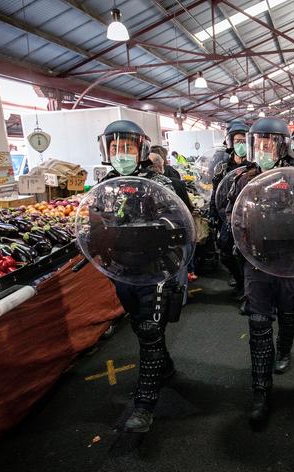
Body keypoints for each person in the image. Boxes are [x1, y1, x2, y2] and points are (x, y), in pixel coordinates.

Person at [97, 120, 193, 433]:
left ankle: (144, 405)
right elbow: (93, 224)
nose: (121, 153)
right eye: (115, 148)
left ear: (141, 149)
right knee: (142, 327)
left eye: (127, 147)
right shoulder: (104, 186)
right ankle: (164, 368)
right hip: (122, 271)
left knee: (151, 328)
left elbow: (180, 225)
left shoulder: (159, 184)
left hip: (155, 270)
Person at [225, 116, 294, 429]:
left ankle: (284, 349)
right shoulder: (241, 179)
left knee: (289, 312)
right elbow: (230, 213)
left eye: (270, 143)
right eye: (259, 143)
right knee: (258, 323)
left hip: (288, 260)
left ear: (282, 145)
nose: (264, 148)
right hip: (256, 261)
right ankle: (261, 391)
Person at [209, 121, 249, 302]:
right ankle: (239, 279)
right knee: (225, 251)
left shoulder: (253, 166)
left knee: (246, 254)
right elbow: (215, 193)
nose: (241, 144)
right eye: (238, 140)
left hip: (248, 219)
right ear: (230, 142)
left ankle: (247, 290)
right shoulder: (222, 167)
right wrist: (212, 214)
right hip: (227, 216)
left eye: (244, 140)